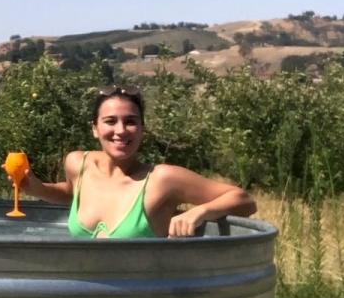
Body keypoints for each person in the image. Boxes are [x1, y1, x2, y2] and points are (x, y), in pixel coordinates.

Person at [23, 84, 256, 238]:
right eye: (110, 121)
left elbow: (244, 201)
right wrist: (38, 188)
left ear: (143, 129)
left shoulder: (162, 180)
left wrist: (200, 212)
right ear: (95, 128)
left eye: (131, 122)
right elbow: (74, 194)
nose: (121, 131)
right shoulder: (78, 164)